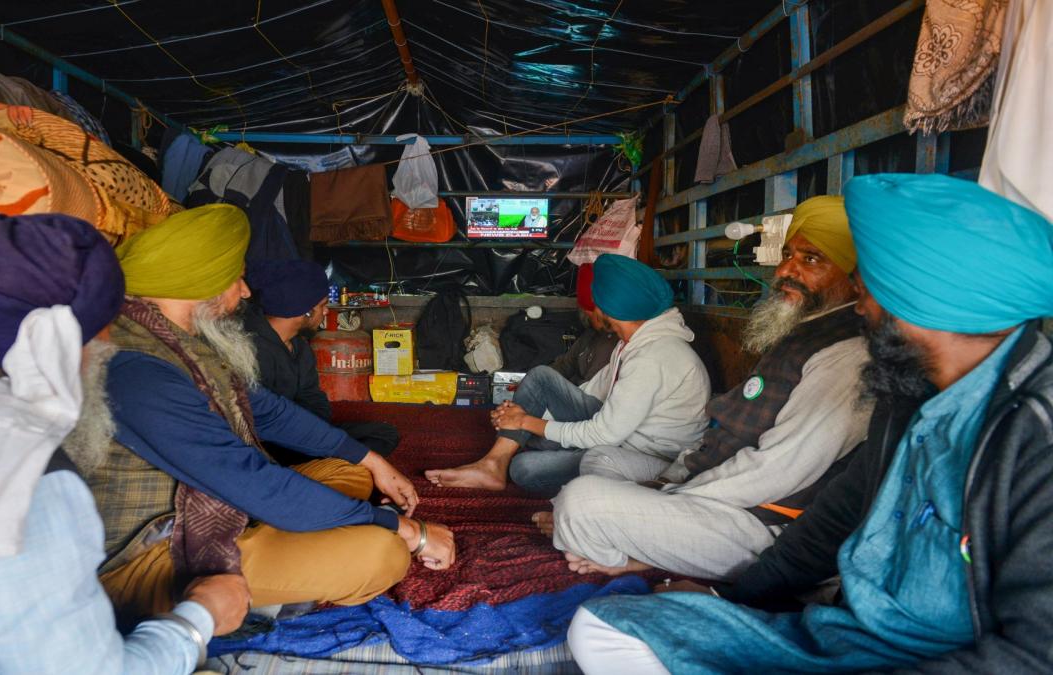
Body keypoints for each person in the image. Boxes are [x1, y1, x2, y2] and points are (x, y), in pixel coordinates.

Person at [568, 173, 1053, 674]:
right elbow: (833, 522)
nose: (861, 307)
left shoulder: (1036, 435)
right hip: (846, 633)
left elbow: (1033, 656)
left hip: (924, 659)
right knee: (603, 626)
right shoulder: (908, 395)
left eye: (870, 290)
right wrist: (732, 597)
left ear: (921, 299)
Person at [0, 214, 248, 675]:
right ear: (58, 340)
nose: (106, 344)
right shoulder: (21, 481)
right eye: (103, 327)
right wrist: (202, 616)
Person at [84, 205, 455, 626]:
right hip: (153, 554)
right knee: (381, 554)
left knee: (349, 472)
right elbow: (252, 482)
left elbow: (271, 412)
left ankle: (288, 553)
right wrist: (407, 531)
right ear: (199, 283)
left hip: (220, 508)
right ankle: (234, 599)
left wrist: (372, 460)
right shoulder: (137, 368)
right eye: (235, 278)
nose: (244, 292)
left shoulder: (180, 341)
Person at [541, 195, 870, 581]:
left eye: (811, 259)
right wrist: (672, 480)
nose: (786, 270)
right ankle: (636, 543)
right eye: (787, 255)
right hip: (709, 488)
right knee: (597, 468)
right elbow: (722, 434)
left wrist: (669, 495)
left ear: (855, 276)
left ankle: (632, 555)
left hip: (762, 527)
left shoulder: (847, 354)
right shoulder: (802, 334)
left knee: (580, 503)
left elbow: (777, 472)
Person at [425, 253, 711, 495]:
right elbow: (592, 394)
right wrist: (523, 421)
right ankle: (492, 464)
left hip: (646, 456)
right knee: (540, 380)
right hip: (621, 434)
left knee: (524, 468)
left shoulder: (653, 356)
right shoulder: (635, 342)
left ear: (606, 307)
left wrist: (525, 421)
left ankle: (503, 460)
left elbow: (604, 433)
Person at [243, 258, 398, 465]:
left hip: (304, 434)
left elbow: (313, 397)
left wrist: (318, 434)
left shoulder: (300, 346)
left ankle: (328, 464)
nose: (326, 312)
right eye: (322, 305)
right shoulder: (249, 349)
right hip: (268, 442)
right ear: (305, 310)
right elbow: (259, 419)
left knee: (384, 433)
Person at [549, 262, 620, 385]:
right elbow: (565, 364)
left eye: (590, 312)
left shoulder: (612, 344)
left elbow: (589, 395)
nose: (586, 316)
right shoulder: (591, 333)